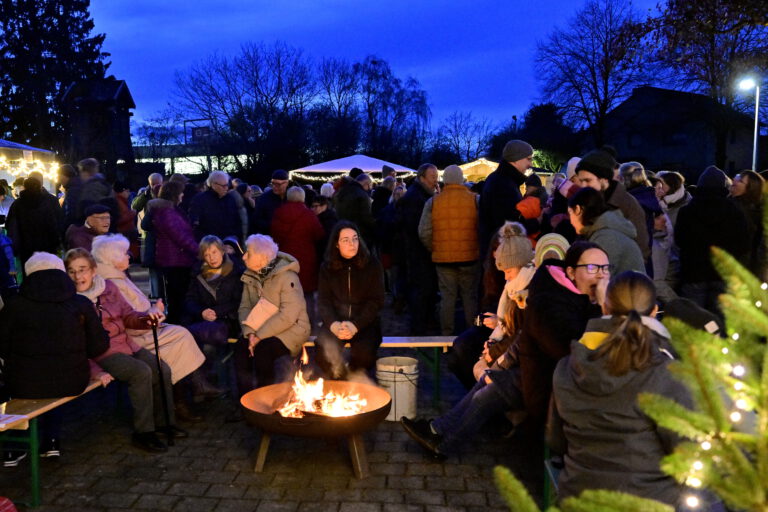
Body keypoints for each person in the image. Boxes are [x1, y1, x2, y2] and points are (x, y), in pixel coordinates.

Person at [401, 242, 607, 457]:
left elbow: (570, 351)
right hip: (545, 374)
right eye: (593, 268)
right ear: (571, 272)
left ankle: (441, 439)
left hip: (556, 382)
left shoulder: (584, 299)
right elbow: (545, 343)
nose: (601, 276)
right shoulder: (553, 299)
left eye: (605, 268)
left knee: (490, 389)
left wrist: (600, 305)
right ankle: (438, 432)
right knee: (483, 376)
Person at [548, 271, 691, 506]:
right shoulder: (667, 374)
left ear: (605, 308)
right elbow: (686, 453)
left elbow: (556, 441)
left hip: (579, 495)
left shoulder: (567, 367)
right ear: (654, 312)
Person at [64, 248, 186, 453]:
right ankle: (144, 432)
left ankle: (164, 422)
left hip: (127, 343)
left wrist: (148, 318)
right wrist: (95, 371)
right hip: (102, 352)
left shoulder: (108, 287)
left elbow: (128, 315)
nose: (78, 276)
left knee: (161, 368)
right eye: (72, 271)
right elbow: (76, 343)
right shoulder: (71, 302)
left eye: (82, 269)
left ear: (94, 271)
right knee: (141, 372)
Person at [0, 253, 108, 464]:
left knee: (28, 381)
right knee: (56, 375)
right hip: (72, 381)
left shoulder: (14, 306)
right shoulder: (80, 303)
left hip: (23, 384)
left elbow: (2, 349)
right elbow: (98, 347)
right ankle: (51, 441)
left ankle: (15, 447)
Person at [91, 234, 213, 420]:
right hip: (137, 336)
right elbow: (132, 319)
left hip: (145, 329)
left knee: (182, 335)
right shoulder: (114, 282)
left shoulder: (117, 277)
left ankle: (186, 395)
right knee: (180, 339)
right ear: (112, 259)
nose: (129, 256)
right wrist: (156, 309)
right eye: (124, 253)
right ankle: (184, 397)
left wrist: (154, 309)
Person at [235, 235, 310, 394]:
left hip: (292, 329)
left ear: (262, 257)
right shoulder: (251, 275)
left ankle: (266, 399)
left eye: (248, 252)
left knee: (264, 351)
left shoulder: (287, 276)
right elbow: (244, 307)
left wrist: (259, 336)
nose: (243, 256)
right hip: (258, 328)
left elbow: (288, 316)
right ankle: (245, 400)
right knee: (241, 348)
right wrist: (249, 333)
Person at [675, 166, 749, 315]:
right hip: (722, 273)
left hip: (694, 273)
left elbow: (679, 240)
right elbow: (743, 243)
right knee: (720, 320)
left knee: (695, 320)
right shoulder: (734, 211)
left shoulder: (687, 210)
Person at [316, 221, 385, 379]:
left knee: (364, 355)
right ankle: (338, 387)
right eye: (345, 240)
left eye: (355, 238)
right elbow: (323, 301)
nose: (352, 244)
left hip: (365, 323)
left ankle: (355, 386)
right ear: (336, 244)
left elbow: (376, 301)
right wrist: (333, 324)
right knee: (323, 354)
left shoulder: (372, 264)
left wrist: (355, 325)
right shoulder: (327, 268)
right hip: (336, 322)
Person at [418, 165, 480, 336]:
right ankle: (472, 336)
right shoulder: (475, 200)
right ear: (461, 179)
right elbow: (480, 227)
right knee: (470, 298)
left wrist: (435, 248)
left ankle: (446, 338)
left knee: (447, 299)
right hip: (470, 258)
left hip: (443, 260)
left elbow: (423, 232)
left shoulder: (433, 201)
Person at [576, 148, 649, 262]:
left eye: (588, 180)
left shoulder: (628, 205)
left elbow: (641, 250)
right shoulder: (590, 203)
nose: (583, 186)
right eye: (581, 181)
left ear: (604, 179)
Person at [271, 186, 325, 328]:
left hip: (284, 259)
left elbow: (273, 236)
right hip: (306, 260)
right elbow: (319, 234)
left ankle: (288, 324)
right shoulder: (308, 215)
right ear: (302, 198)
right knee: (306, 293)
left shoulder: (278, 213)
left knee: (287, 293)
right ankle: (309, 324)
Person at [397, 163, 439, 334]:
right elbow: (418, 229)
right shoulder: (416, 199)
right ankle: (418, 328)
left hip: (417, 251)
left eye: (437, 177)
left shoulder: (420, 195)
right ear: (422, 178)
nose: (436, 182)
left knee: (424, 290)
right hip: (417, 252)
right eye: (432, 178)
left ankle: (422, 324)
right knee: (420, 290)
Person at [183, 235, 244, 350]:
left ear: (221, 251)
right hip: (203, 320)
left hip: (229, 320)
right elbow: (190, 300)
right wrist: (202, 312)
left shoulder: (236, 271)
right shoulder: (198, 274)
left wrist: (216, 312)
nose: (212, 258)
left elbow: (239, 301)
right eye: (207, 255)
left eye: (214, 252)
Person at [151, 181, 199, 323]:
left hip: (174, 259)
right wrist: (198, 250)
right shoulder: (168, 213)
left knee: (176, 295)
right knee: (177, 295)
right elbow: (180, 236)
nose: (183, 195)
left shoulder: (168, 210)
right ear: (175, 194)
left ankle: (178, 321)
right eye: (180, 192)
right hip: (175, 260)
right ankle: (177, 324)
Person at [568, 187, 645, 275]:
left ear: (578, 210)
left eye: (570, 212)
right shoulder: (603, 232)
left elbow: (598, 277)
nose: (570, 221)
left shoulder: (607, 237)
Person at [479, 140, 533, 252]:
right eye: (528, 159)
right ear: (516, 158)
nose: (530, 164)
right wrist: (535, 222)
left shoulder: (502, 180)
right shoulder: (503, 184)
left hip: (498, 251)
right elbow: (508, 225)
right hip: (502, 254)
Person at [5, 177, 63, 267]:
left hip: (25, 247)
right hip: (47, 246)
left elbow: (10, 225)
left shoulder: (17, 204)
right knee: (47, 270)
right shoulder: (48, 202)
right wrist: (56, 243)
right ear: (40, 186)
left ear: (24, 187)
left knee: (29, 273)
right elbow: (55, 223)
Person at [188, 170, 241, 242]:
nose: (226, 188)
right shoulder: (199, 200)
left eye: (227, 185)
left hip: (229, 243)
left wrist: (232, 241)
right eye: (223, 186)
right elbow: (194, 226)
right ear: (213, 185)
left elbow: (237, 223)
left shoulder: (230, 199)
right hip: (209, 245)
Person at [729, 170, 765, 277]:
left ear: (749, 189)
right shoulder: (731, 202)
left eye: (740, 181)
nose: (735, 181)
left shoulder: (744, 211)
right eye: (737, 177)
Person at [334, 173, 376, 248]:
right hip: (359, 233)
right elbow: (366, 217)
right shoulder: (363, 195)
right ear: (366, 183)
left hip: (341, 230)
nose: (370, 188)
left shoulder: (341, 192)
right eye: (370, 185)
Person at [75, 157, 117, 226]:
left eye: (80, 171)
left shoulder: (90, 189)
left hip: (93, 231)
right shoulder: (104, 184)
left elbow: (84, 213)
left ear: (86, 172)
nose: (80, 175)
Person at [252, 170, 289, 235]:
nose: (274, 187)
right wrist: (272, 225)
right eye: (273, 183)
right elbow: (256, 220)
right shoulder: (263, 198)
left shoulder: (291, 197)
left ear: (287, 183)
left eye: (278, 184)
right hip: (269, 239)